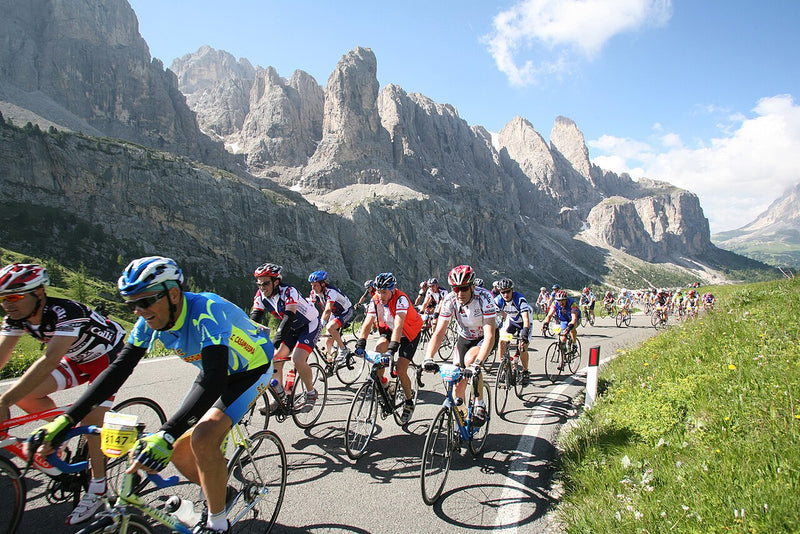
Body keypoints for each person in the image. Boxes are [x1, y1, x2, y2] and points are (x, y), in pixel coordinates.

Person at [29, 256, 274, 534]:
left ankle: (218, 525)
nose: (138, 310)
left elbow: (216, 379)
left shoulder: (208, 309)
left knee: (202, 439)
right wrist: (66, 421)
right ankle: (222, 491)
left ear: (172, 294)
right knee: (181, 454)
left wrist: (167, 433)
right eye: (131, 303)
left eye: (144, 301)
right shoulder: (149, 320)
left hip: (251, 370)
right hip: (214, 371)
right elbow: (118, 370)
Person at [0, 263, 125, 525]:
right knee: (27, 394)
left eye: (13, 296)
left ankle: (98, 488)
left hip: (107, 358)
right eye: (2, 298)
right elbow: (2, 355)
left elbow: (49, 359)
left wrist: (4, 400)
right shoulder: (15, 317)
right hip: (78, 358)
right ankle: (65, 436)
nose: (7, 304)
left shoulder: (66, 311)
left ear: (40, 293)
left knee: (92, 421)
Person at [423, 265, 495, 425]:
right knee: (457, 387)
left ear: (472, 286)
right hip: (464, 338)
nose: (459, 294)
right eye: (456, 289)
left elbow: (490, 334)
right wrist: (428, 358)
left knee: (471, 361)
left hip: (483, 338)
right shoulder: (449, 299)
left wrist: (477, 364)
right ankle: (461, 423)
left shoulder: (484, 297)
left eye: (463, 289)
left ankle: (479, 403)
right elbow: (439, 332)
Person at [353, 273, 422, 424]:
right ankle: (385, 384)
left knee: (401, 369)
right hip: (389, 331)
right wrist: (360, 343)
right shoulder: (375, 300)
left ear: (392, 290)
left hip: (409, 333)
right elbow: (367, 322)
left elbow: (399, 325)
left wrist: (392, 349)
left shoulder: (401, 299)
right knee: (378, 352)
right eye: (379, 291)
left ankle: (409, 402)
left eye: (384, 292)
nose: (381, 295)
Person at [250, 263, 321, 410]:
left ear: (276, 281)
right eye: (259, 284)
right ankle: (279, 399)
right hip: (292, 328)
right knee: (276, 359)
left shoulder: (289, 291)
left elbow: (288, 318)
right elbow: (254, 318)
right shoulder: (261, 295)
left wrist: (275, 342)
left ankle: (311, 392)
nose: (262, 287)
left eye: (265, 283)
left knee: (297, 359)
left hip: (309, 325)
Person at [308, 270, 354, 362]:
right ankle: (329, 365)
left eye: (315, 285)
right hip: (335, 312)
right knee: (328, 341)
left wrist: (321, 325)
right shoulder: (314, 293)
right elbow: (310, 307)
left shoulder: (331, 291)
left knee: (330, 327)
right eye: (312, 285)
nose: (313, 288)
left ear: (323, 284)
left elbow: (328, 309)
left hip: (346, 311)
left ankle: (343, 349)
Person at [493, 278, 533, 386]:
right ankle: (504, 368)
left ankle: (525, 371)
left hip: (524, 323)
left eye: (508, 291)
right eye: (502, 292)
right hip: (512, 321)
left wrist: (525, 332)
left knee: (522, 347)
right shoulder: (498, 300)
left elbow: (526, 319)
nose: (505, 294)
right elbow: (493, 317)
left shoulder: (520, 299)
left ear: (512, 290)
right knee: (501, 342)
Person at [542, 290, 580, 363]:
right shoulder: (555, 303)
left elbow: (574, 318)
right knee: (562, 340)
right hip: (564, 320)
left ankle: (574, 344)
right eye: (559, 301)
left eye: (563, 301)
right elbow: (549, 315)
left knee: (572, 329)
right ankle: (563, 359)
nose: (561, 303)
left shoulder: (572, 303)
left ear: (566, 299)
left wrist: (569, 327)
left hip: (574, 319)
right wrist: (545, 324)